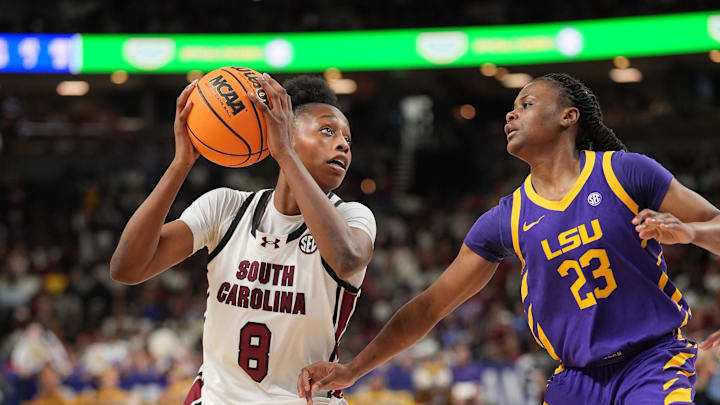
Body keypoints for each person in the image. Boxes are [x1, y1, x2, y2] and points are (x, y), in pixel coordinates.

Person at [298, 73, 720, 404]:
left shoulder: (626, 172)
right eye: (511, 109)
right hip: (575, 380)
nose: (510, 115)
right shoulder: (507, 218)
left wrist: (692, 232)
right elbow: (429, 306)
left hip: (651, 362)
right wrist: (354, 369)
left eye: (526, 104)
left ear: (568, 117)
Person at [110, 73, 376, 405]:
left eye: (348, 139)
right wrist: (180, 164)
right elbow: (127, 268)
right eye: (327, 130)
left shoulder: (353, 217)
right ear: (285, 130)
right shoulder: (226, 207)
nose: (343, 145)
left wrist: (285, 153)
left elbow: (347, 257)